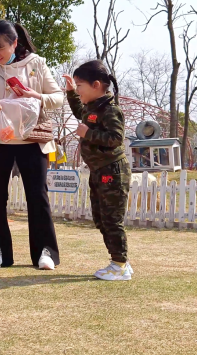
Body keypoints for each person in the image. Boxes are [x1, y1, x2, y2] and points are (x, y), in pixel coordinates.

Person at [0, 20, 64, 270]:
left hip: (31, 140)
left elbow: (58, 98)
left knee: (37, 196)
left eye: (0, 48)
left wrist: (37, 97)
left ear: (14, 43)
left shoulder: (37, 63)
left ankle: (45, 252)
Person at [63, 60, 133, 281]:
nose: (78, 90)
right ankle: (120, 262)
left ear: (96, 85)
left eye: (79, 86)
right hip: (99, 170)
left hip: (112, 171)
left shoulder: (110, 111)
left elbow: (116, 138)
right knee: (101, 218)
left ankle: (119, 265)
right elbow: (80, 112)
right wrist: (71, 93)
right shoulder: (92, 108)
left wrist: (88, 134)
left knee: (112, 219)